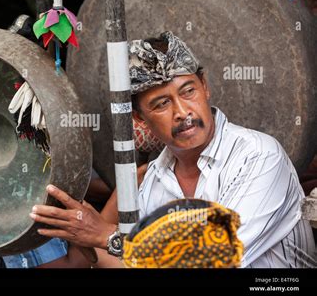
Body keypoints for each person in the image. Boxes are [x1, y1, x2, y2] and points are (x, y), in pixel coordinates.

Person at [30, 31, 317, 268]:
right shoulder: (155, 179)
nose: (182, 112)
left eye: (188, 91)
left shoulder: (258, 156)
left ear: (205, 86)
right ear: (140, 117)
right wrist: (85, 235)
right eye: (161, 104)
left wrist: (107, 236)